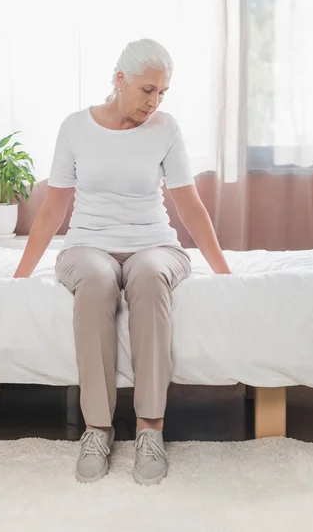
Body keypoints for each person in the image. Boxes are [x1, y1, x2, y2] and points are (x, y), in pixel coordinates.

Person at [13, 38, 231, 486]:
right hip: (88, 244)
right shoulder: (75, 128)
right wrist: (18, 276)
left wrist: (225, 270)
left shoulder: (166, 129)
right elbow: (53, 210)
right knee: (94, 281)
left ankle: (151, 429)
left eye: (162, 93)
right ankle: (97, 429)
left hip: (154, 244)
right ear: (119, 80)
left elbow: (189, 208)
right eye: (147, 90)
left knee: (150, 277)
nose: (154, 102)